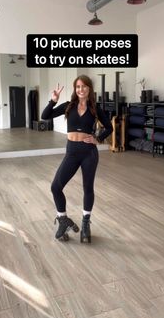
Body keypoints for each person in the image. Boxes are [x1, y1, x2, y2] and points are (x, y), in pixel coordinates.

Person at [41, 75, 113, 242]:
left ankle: (85, 224)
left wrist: (98, 139)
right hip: (72, 152)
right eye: (78, 86)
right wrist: (53, 100)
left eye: (84, 86)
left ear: (89, 89)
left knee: (88, 188)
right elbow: (45, 116)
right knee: (55, 187)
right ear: (75, 89)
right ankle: (63, 219)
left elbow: (109, 127)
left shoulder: (95, 108)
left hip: (89, 153)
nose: (81, 89)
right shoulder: (68, 106)